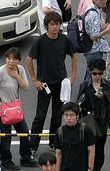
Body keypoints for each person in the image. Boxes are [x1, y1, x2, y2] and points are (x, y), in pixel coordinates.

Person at [26, 13, 77, 153]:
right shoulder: (40, 41)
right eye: (52, 24)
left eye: (57, 24)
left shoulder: (64, 39)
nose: (55, 27)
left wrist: (72, 77)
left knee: (57, 116)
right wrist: (35, 80)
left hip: (61, 84)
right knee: (40, 117)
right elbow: (29, 59)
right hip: (45, 85)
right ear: (47, 26)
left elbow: (74, 56)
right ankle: (32, 147)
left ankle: (54, 143)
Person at [0, 48, 34, 170]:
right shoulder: (0, 72)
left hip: (15, 108)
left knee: (24, 132)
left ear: (19, 60)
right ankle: (6, 161)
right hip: (2, 109)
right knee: (6, 136)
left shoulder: (20, 70)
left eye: (14, 59)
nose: (11, 61)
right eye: (8, 58)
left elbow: (25, 87)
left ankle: (25, 157)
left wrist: (16, 76)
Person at [77, 58, 110, 171]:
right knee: (86, 148)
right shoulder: (85, 85)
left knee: (99, 150)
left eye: (100, 73)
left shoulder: (108, 85)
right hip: (87, 120)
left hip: (101, 121)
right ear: (90, 72)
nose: (97, 76)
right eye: (95, 73)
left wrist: (104, 97)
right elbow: (78, 100)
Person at [53, 103, 95, 171]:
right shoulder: (60, 132)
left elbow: (91, 151)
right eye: (66, 115)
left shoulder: (86, 130)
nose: (68, 118)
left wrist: (90, 168)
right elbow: (58, 154)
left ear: (77, 116)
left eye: (71, 115)